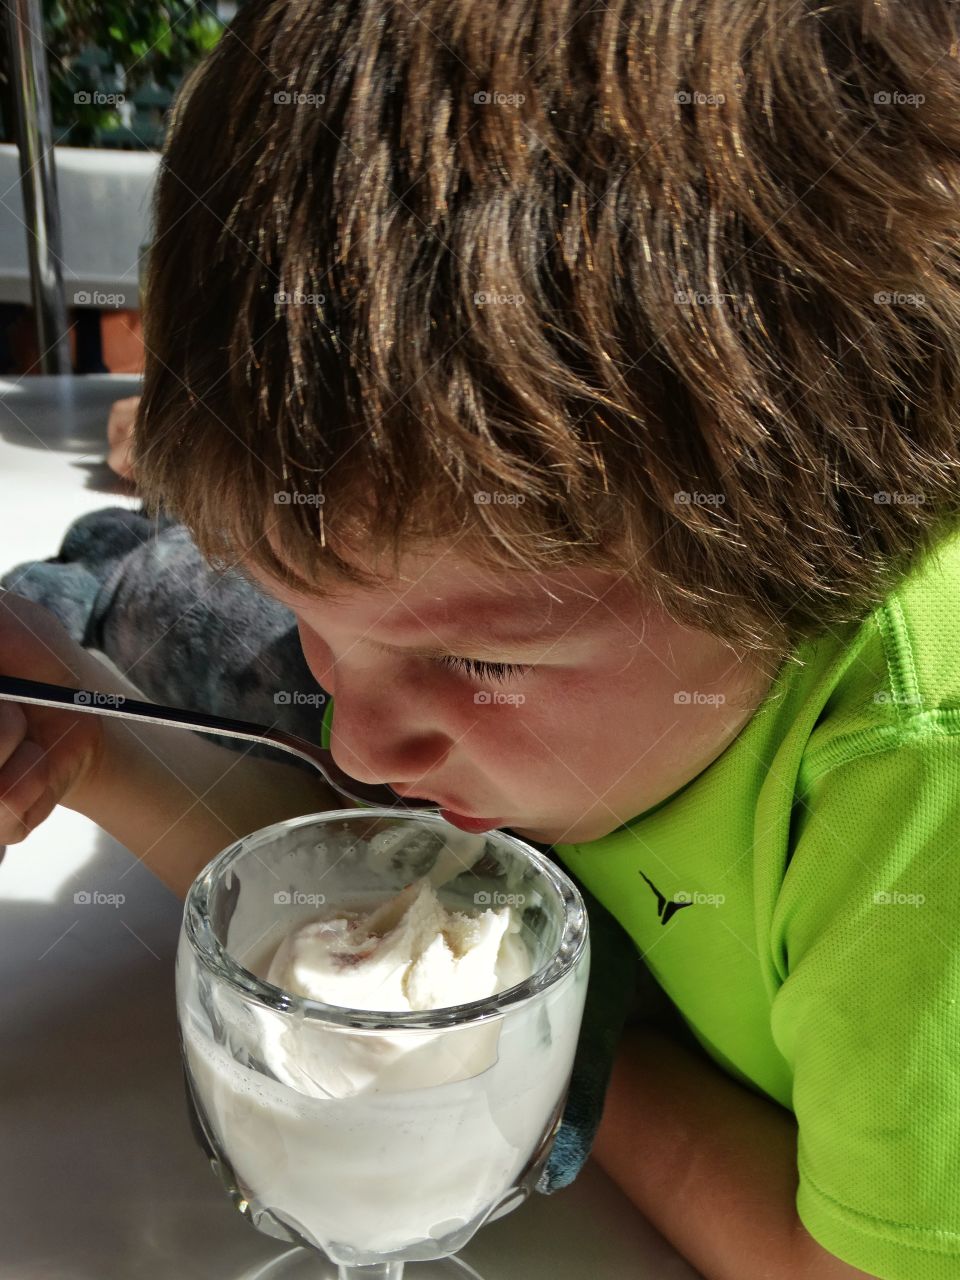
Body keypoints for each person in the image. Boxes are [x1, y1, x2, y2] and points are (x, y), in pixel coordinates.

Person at [2, 1, 960, 1275]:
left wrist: (558, 1056)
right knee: (217, 640)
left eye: (480, 660)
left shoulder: (912, 785)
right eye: (320, 606)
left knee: (235, 647)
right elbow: (340, 881)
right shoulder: (564, 651)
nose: (370, 732)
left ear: (805, 543)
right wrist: (85, 733)